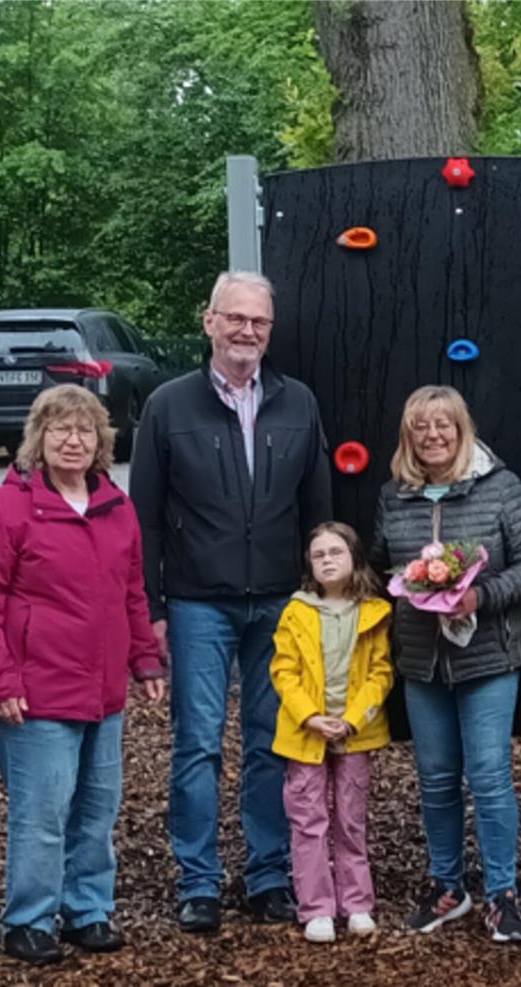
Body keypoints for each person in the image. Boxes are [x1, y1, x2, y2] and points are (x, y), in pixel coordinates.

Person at [130, 270, 333, 933]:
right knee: (197, 746)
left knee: (275, 742)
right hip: (197, 603)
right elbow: (147, 518)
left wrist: (318, 595)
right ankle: (199, 879)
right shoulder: (168, 405)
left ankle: (269, 873)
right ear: (209, 321)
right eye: (236, 318)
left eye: (260, 322)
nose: (248, 331)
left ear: (270, 331)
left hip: (280, 599)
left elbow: (318, 509)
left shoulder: (298, 402)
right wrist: (152, 608)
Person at [0, 385, 168, 964]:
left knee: (97, 810)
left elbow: (131, 591)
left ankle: (88, 910)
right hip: (36, 692)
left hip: (103, 692)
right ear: (39, 439)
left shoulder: (115, 505)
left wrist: (144, 659)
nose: (73, 441)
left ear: (101, 441)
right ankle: (28, 919)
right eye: (60, 430)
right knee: (43, 813)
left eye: (84, 431)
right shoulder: (6, 509)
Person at [372, 385, 521, 942]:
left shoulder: (501, 487)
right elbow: (380, 567)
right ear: (408, 435)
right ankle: (448, 885)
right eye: (421, 427)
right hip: (423, 661)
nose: (433, 436)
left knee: (490, 777)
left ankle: (502, 894)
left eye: (443, 424)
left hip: (488, 657)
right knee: (437, 779)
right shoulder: (393, 496)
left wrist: (479, 596)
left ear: (461, 428)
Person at [269, 522, 394, 944]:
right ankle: (316, 906)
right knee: (308, 819)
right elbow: (283, 672)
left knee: (351, 818)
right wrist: (309, 717)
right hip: (306, 734)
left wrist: (355, 718)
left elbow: (381, 673)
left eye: (335, 552)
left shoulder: (375, 612)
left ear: (354, 558)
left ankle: (357, 902)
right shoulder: (296, 611)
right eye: (318, 554)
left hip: (355, 732)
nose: (327, 560)